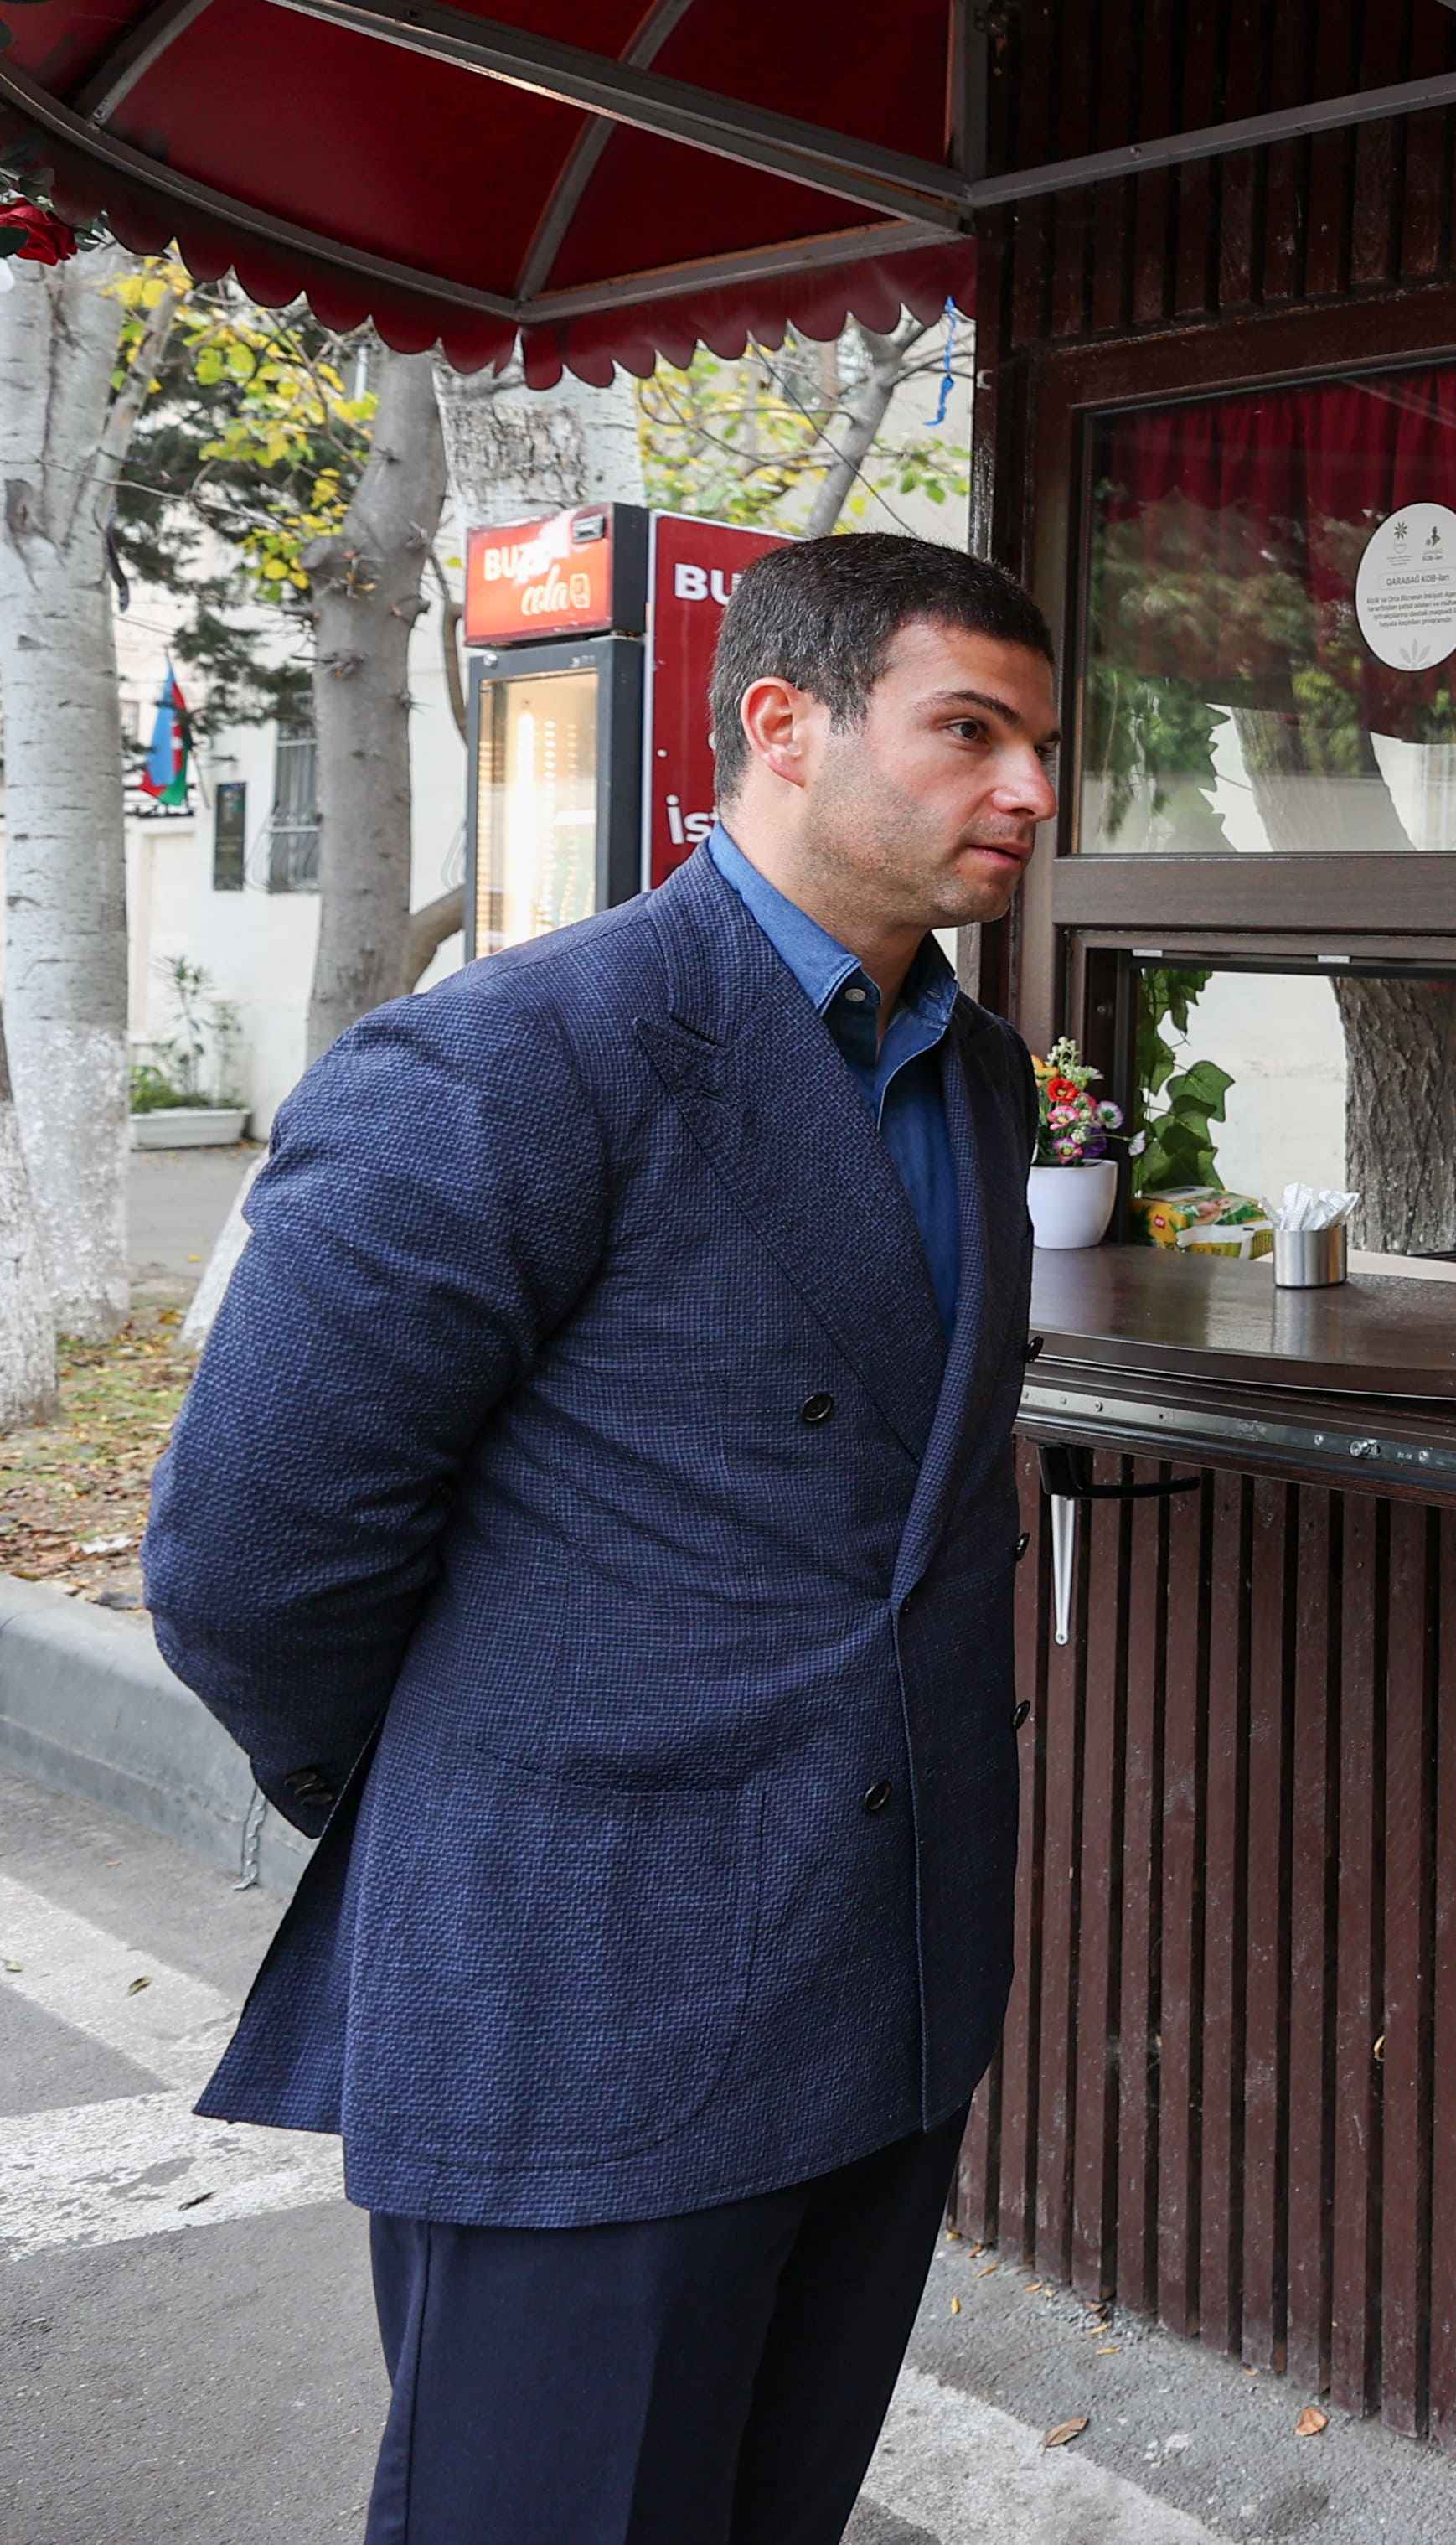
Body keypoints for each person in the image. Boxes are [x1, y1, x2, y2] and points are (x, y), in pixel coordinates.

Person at [144, 535, 1063, 2545]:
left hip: (884, 1976)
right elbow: (250, 1551)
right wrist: (465, 1817)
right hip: (586, 1995)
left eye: (1042, 744)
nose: (1027, 791)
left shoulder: (976, 1075)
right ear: (782, 725)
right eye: (969, 731)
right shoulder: (512, 1056)